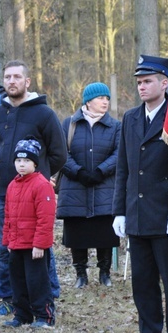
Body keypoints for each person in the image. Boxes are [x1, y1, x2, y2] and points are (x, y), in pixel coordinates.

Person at [112, 55, 168, 333]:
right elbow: (124, 168)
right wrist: (119, 210)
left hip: (166, 214)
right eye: (138, 82)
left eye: (148, 81)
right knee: (143, 283)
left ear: (165, 83)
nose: (142, 87)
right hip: (137, 214)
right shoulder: (131, 118)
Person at [0, 60, 66, 317]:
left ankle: (47, 299)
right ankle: (11, 298)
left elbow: (59, 154)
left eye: (17, 77)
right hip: (1, 195)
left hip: (33, 197)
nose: (11, 81)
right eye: (7, 77)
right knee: (3, 249)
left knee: (39, 249)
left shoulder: (44, 114)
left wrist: (40, 177)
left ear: (27, 81)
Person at [56, 83, 121, 288]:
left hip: (105, 187)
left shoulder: (116, 126)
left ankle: (104, 273)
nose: (105, 102)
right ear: (88, 101)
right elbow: (60, 153)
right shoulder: (69, 124)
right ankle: (80, 275)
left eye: (107, 99)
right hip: (75, 187)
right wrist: (79, 172)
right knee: (78, 233)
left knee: (105, 232)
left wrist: (102, 171)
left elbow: (120, 153)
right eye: (101, 98)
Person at [1, 139, 56, 328]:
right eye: (18, 161)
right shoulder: (12, 185)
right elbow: (8, 215)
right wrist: (8, 240)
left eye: (26, 161)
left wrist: (40, 244)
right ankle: (22, 315)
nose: (21, 165)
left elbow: (46, 218)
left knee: (37, 282)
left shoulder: (42, 185)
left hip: (34, 246)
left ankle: (44, 316)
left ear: (34, 163)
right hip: (16, 244)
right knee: (18, 281)